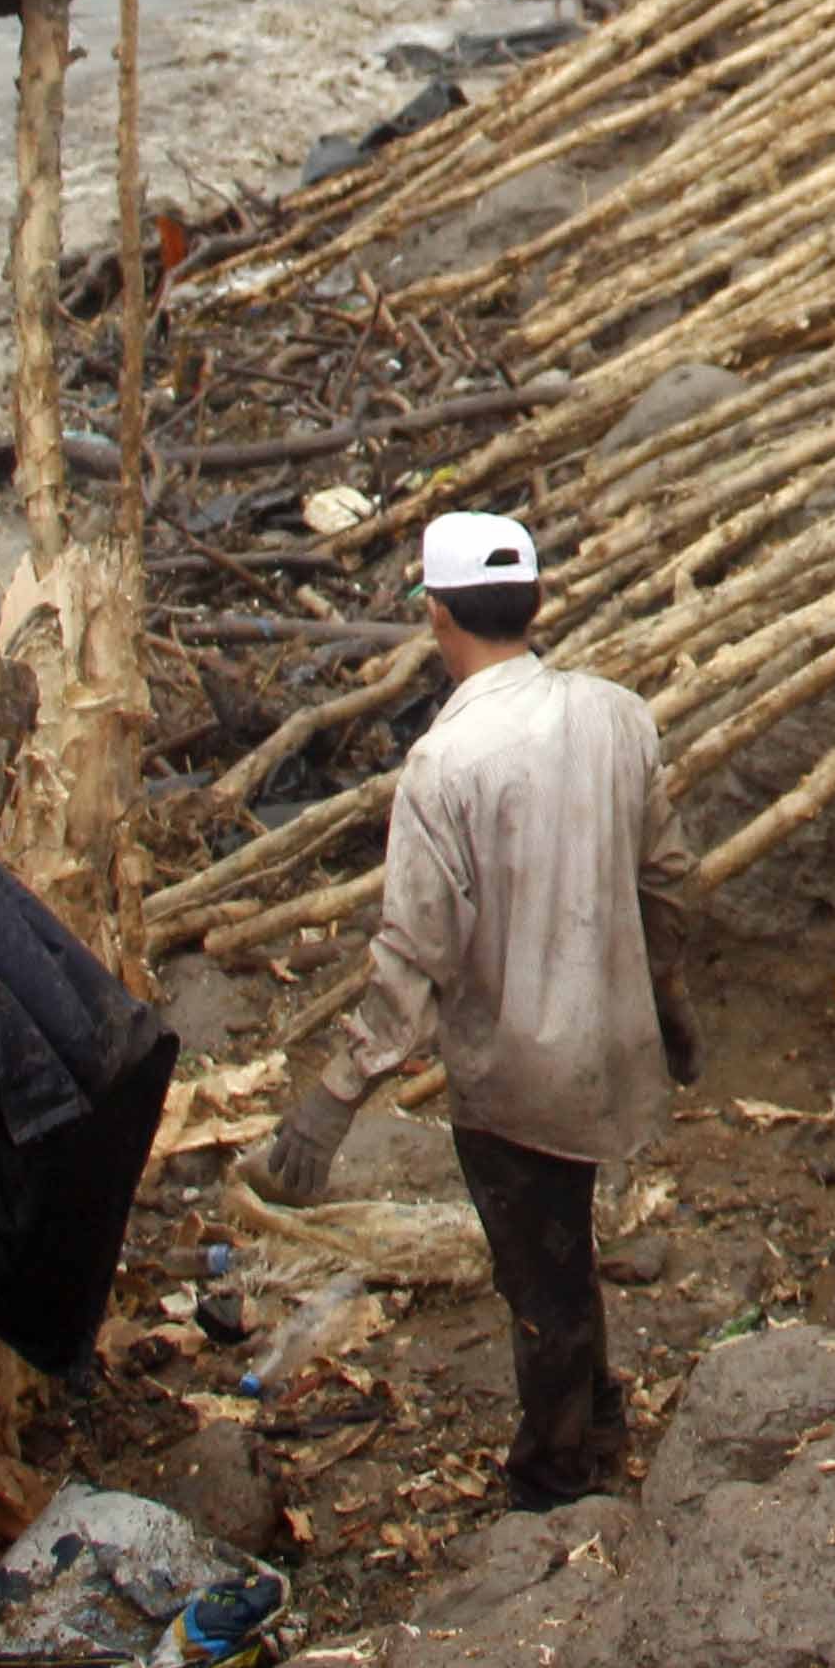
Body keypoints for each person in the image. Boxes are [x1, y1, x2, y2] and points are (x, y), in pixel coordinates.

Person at [256, 512, 697, 1511]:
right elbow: (665, 873)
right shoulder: (617, 713)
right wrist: (668, 996)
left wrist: (333, 1101)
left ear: (436, 616)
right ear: (536, 603)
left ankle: (556, 1479)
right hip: (613, 1041)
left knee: (537, 1280)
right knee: (564, 1236)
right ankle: (603, 1411)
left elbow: (416, 954)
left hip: (515, 1072)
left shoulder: (443, 765)